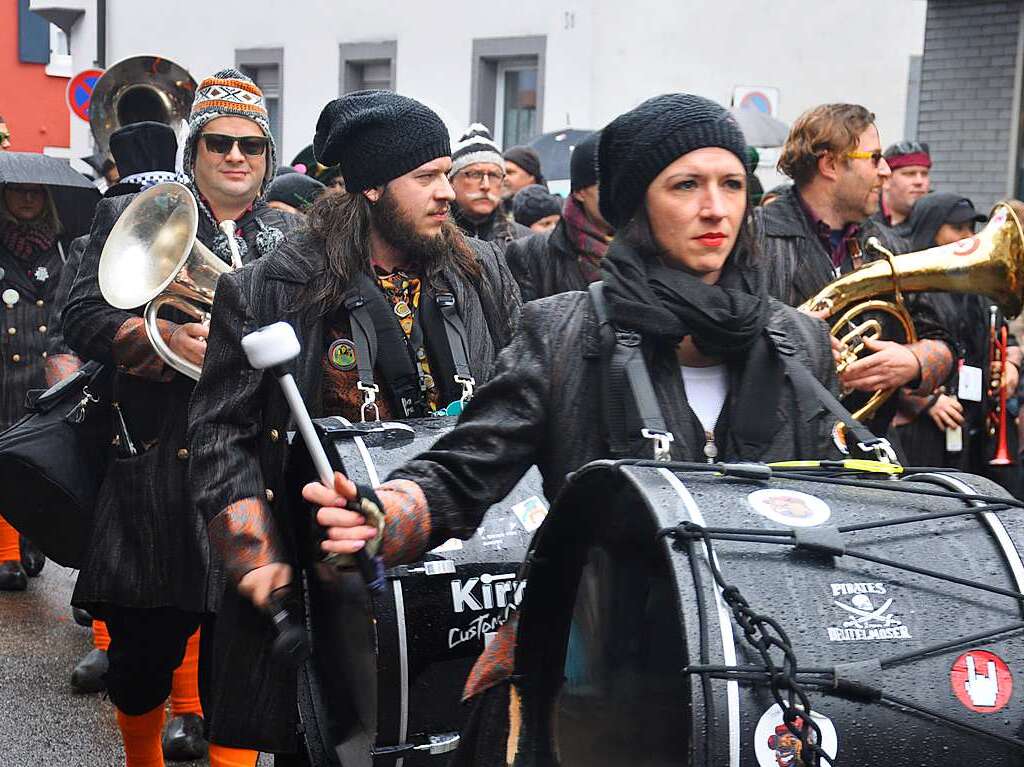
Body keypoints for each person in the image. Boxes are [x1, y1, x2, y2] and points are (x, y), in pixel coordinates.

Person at [300, 93, 841, 766]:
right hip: (593, 679)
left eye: (732, 183)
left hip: (759, 678)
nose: (716, 207)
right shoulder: (564, 332)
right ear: (637, 204)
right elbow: (464, 468)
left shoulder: (800, 342)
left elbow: (834, 514)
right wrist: (385, 513)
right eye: (686, 185)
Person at [185, 90, 522, 759]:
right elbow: (222, 439)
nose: (446, 192)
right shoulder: (270, 288)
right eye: (425, 178)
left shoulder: (483, 273)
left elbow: (517, 405)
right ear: (371, 186)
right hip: (328, 589)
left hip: (467, 576)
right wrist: (256, 556)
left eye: (445, 172)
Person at [62, 68, 298, 767]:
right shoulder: (138, 213)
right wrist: (150, 340)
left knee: (245, 664)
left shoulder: (294, 234)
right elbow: (80, 313)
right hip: (156, 465)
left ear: (267, 158)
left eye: (251, 147)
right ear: (194, 149)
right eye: (219, 142)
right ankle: (141, 755)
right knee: (138, 663)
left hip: (254, 467)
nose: (235, 157)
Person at [755, 103, 954, 440]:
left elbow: (943, 340)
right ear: (830, 164)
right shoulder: (755, 236)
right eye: (875, 158)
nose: (886, 171)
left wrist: (914, 360)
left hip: (868, 449)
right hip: (774, 453)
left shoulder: (889, 245)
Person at [895, 193, 1021, 493]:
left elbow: (1007, 337)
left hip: (976, 431)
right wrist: (925, 401)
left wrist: (1011, 368)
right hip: (924, 432)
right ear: (930, 229)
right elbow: (884, 355)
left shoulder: (978, 287)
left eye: (970, 228)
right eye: (957, 228)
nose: (968, 238)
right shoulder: (908, 287)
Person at [0, 181, 70, 590]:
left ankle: (32, 536)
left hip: (47, 368)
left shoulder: (64, 247)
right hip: (5, 366)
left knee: (41, 462)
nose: (28, 199)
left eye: (36, 192)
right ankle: (6, 551)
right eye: (18, 191)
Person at [505, 130, 614, 302]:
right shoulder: (530, 254)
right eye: (604, 187)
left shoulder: (645, 247)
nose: (615, 195)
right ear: (580, 192)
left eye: (622, 186)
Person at [449, 123, 531, 246]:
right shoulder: (433, 239)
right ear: (451, 181)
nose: (486, 186)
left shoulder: (523, 241)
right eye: (475, 174)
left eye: (494, 175)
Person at [877, 140, 931, 227]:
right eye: (910, 173)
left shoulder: (939, 221)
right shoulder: (863, 218)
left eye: (924, 174)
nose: (919, 181)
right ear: (886, 180)